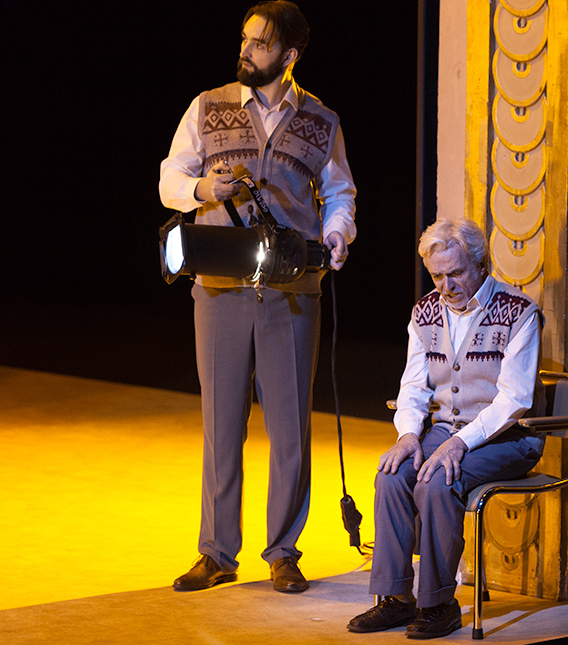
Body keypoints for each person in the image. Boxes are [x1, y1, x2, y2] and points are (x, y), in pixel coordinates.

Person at [158, 0, 356, 594]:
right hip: (218, 288)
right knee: (222, 423)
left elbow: (340, 191)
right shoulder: (208, 105)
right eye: (245, 39)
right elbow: (169, 177)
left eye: (261, 44)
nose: (246, 50)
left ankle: (284, 551)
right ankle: (217, 551)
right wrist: (199, 186)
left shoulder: (321, 119)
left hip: (292, 288)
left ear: (288, 56)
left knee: (290, 425)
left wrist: (338, 233)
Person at [347, 219, 544, 639]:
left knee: (437, 482)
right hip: (446, 430)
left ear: (480, 264)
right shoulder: (425, 313)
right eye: (437, 275)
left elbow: (515, 400)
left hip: (508, 436)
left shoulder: (519, 312)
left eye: (455, 273)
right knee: (393, 476)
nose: (446, 285)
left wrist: (458, 443)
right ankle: (397, 599)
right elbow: (414, 386)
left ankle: (438, 603)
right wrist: (407, 435)